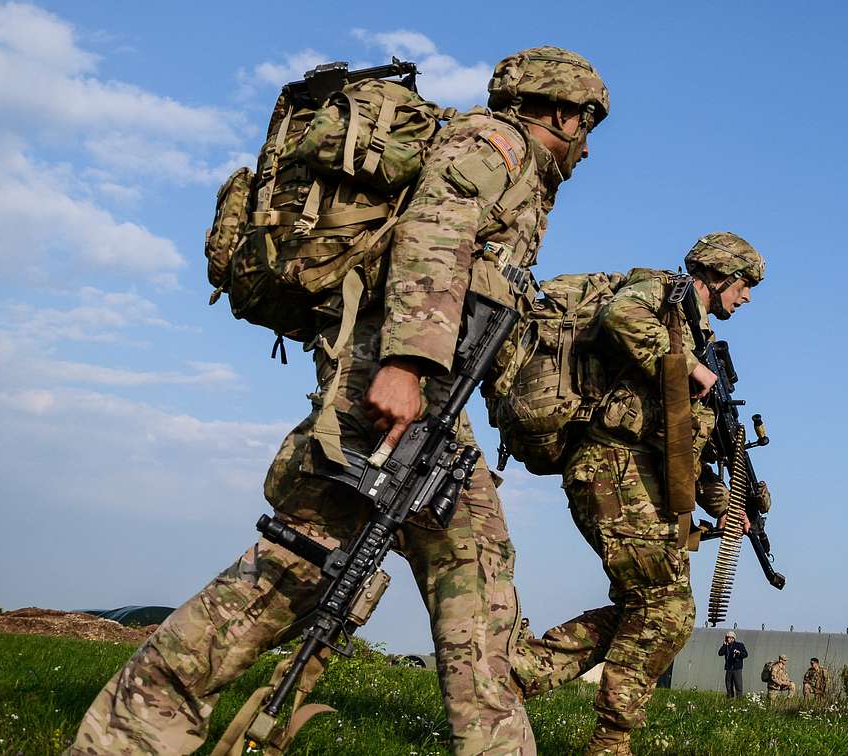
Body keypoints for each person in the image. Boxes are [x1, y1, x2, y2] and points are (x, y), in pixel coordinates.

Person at [66, 46, 610, 756]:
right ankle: (127, 735)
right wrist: (406, 365)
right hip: (390, 391)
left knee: (472, 578)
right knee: (296, 571)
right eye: (588, 125)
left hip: (431, 407)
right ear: (563, 111)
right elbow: (433, 232)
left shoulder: (524, 182)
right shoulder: (494, 144)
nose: (588, 147)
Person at [512, 233, 768, 755]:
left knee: (646, 605)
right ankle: (610, 740)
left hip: (637, 472)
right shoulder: (664, 293)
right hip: (610, 463)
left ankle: (520, 674)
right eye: (744, 285)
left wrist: (725, 504)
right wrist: (688, 367)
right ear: (718, 275)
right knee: (665, 608)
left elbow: (682, 447)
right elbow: (618, 316)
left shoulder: (694, 336)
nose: (746, 298)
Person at [718, 630, 749, 698]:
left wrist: (738, 653)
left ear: (733, 638)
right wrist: (724, 645)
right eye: (727, 638)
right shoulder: (726, 646)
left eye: (728, 638)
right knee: (728, 685)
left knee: (738, 685)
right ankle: (730, 698)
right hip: (729, 668)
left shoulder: (739, 645)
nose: (727, 639)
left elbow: (745, 655)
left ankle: (739, 700)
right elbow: (720, 653)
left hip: (737, 668)